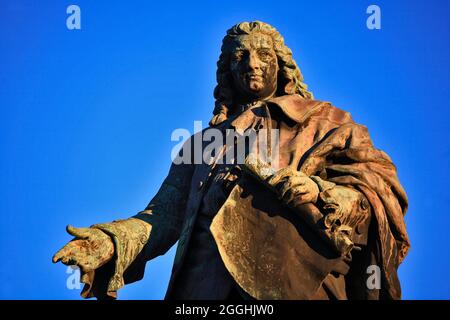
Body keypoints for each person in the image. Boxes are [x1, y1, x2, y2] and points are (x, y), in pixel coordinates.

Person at [53, 21, 409, 300]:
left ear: (281, 65)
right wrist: (110, 241)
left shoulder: (326, 122)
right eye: (240, 56)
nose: (251, 64)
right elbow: (162, 216)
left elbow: (378, 193)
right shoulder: (203, 144)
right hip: (201, 291)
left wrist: (319, 191)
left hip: (294, 284)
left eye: (262, 54)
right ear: (227, 69)